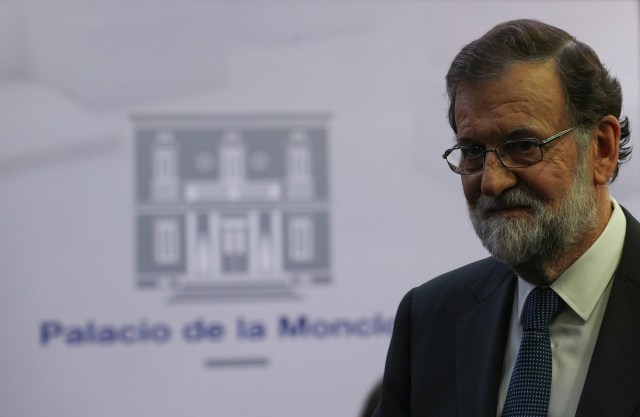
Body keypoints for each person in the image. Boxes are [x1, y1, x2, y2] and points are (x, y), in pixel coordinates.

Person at [373, 19, 637, 417]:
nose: (492, 182)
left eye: (523, 146)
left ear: (601, 149)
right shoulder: (430, 318)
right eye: (473, 151)